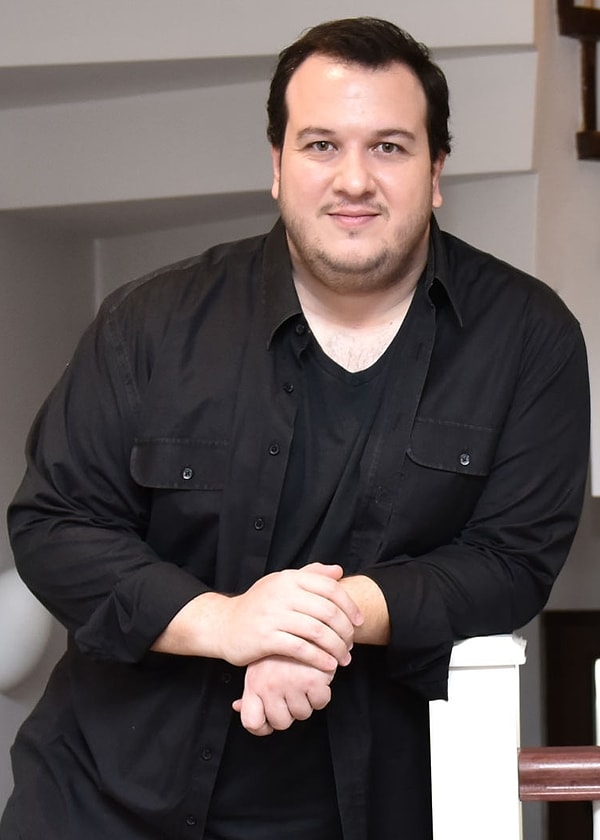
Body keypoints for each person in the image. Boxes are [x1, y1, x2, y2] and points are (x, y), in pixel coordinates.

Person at [0, 15, 590, 840]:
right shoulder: (149, 323)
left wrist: (322, 616)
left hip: (356, 814)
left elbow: (513, 561)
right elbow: (56, 525)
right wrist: (225, 622)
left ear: (435, 171)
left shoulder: (529, 338)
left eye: (389, 146)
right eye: (321, 145)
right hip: (100, 801)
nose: (354, 179)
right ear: (277, 166)